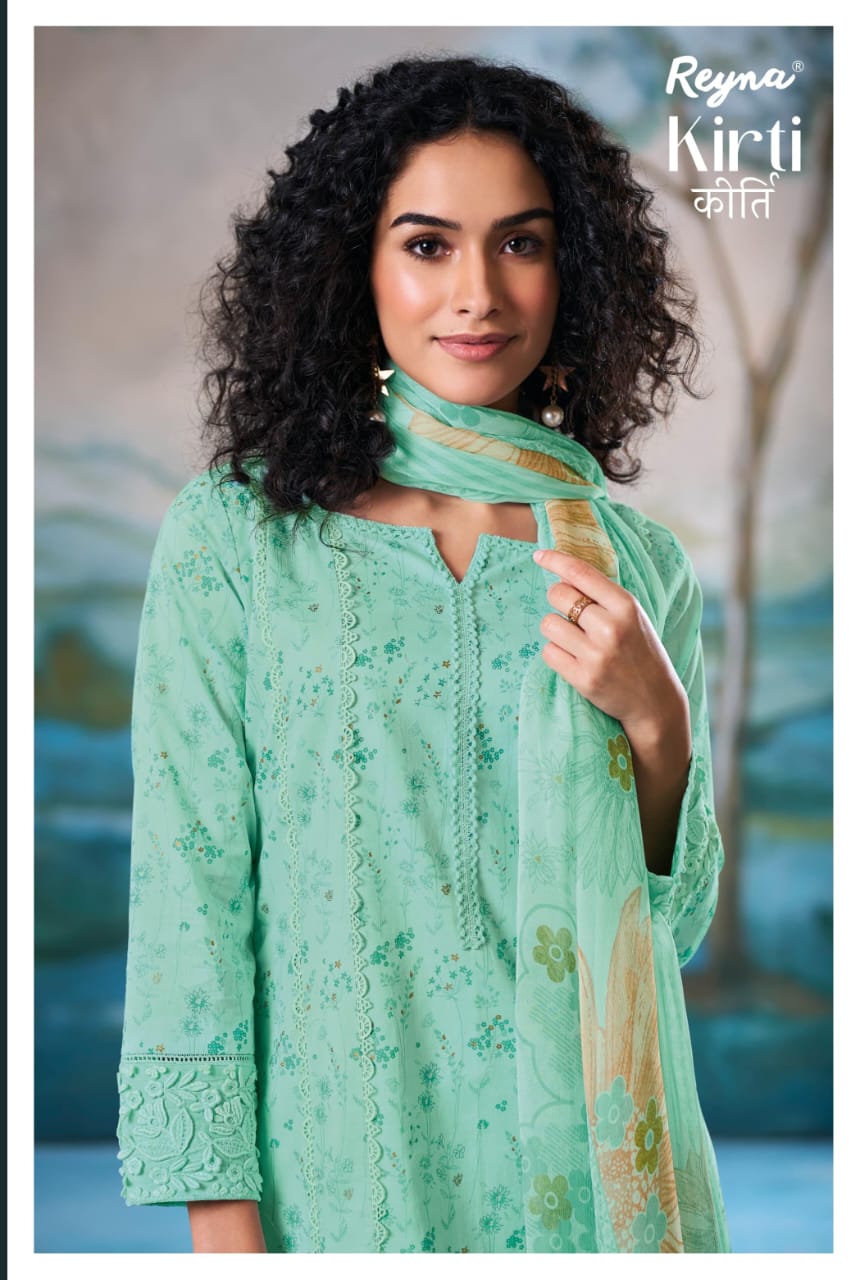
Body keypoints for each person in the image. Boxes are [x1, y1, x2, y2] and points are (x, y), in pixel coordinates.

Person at [115, 53, 730, 1253]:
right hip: (338, 1179)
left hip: (586, 1197)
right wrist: (222, 1227)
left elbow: (677, 923)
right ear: (355, 265)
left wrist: (655, 723)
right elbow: (188, 895)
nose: (476, 294)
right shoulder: (241, 537)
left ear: (572, 269)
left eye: (520, 243)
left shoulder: (630, 561)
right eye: (428, 244)